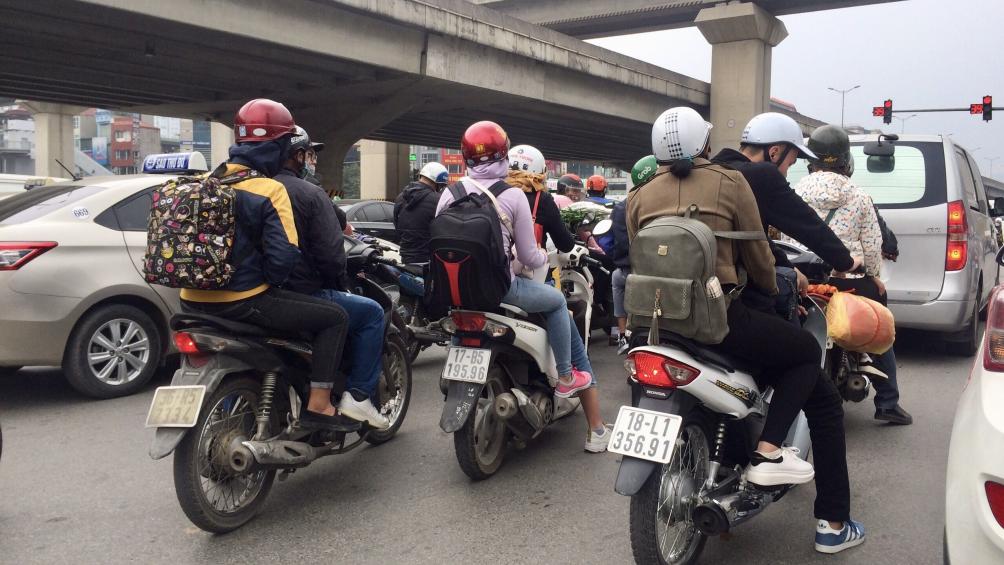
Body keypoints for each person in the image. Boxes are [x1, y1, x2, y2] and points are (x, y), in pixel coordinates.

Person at [628, 106, 865, 554]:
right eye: (792, 158)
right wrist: (768, 285)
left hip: (654, 323)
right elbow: (758, 256)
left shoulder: (641, 194)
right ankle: (775, 459)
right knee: (801, 357)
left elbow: (634, 256)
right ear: (702, 143)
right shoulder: (732, 182)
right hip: (716, 318)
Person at [436, 121, 612, 453]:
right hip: (504, 289)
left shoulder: (450, 191)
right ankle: (566, 380)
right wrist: (534, 255)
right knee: (558, 303)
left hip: (457, 294)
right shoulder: (516, 196)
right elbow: (531, 256)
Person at [180, 99, 354, 432]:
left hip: (192, 302)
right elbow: (283, 259)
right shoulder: (269, 189)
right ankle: (319, 404)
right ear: (277, 147)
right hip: (244, 303)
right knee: (336, 317)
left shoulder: (209, 181)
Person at [790, 124, 912, 426]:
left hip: (804, 278)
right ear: (846, 161)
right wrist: (873, 276)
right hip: (849, 283)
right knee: (880, 326)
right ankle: (887, 401)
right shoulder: (859, 197)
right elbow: (873, 245)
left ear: (810, 160)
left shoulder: (792, 193)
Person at [275, 126, 390, 429]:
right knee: (372, 313)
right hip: (300, 295)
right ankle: (358, 397)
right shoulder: (309, 194)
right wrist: (339, 282)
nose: (312, 160)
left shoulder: (251, 187)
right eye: (309, 154)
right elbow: (331, 257)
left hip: (253, 295)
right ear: (298, 156)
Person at [712, 113, 860, 314]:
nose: (786, 174)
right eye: (789, 165)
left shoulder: (713, 168)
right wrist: (847, 262)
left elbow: (755, 236)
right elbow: (807, 225)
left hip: (702, 293)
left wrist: (787, 266)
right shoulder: (762, 176)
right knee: (806, 346)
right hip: (735, 297)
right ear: (774, 153)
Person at [611, 155, 659, 354]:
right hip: (658, 272)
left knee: (616, 278)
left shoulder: (622, 205)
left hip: (629, 271)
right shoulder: (663, 202)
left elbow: (619, 244)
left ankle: (622, 334)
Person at [507, 144, 575, 254]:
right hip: (530, 267)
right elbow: (565, 244)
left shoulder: (494, 191)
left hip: (494, 266)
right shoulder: (542, 200)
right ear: (540, 171)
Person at [394, 161, 448, 264]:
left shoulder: (400, 197)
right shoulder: (438, 200)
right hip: (427, 259)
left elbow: (397, 226)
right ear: (437, 183)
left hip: (405, 258)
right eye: (441, 186)